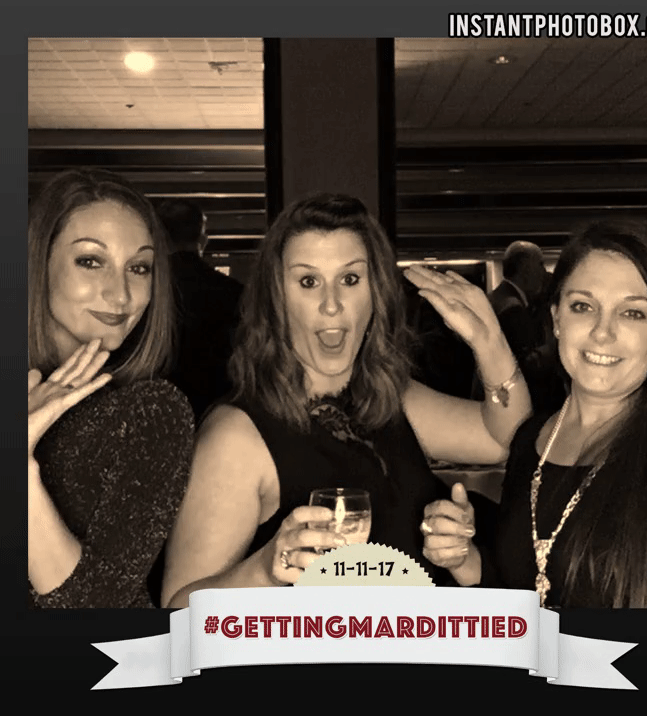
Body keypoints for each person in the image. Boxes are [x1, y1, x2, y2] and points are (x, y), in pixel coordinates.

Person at [161, 193, 532, 607]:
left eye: (350, 279)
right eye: (308, 282)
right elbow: (178, 610)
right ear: (276, 299)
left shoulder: (388, 398)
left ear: (375, 293)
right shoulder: (236, 436)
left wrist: (489, 340)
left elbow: (507, 438)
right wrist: (264, 569)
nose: (332, 304)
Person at [422, 218, 647, 608]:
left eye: (633, 313)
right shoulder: (531, 440)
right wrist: (465, 559)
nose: (602, 332)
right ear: (556, 319)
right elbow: (518, 592)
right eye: (583, 306)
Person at [28, 168, 194, 608]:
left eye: (138, 268)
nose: (121, 295)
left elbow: (97, 607)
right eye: (90, 261)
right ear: (39, 263)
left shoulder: (151, 415)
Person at [155, 199, 244, 422]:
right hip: (217, 409)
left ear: (160, 239)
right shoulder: (234, 293)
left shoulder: (147, 292)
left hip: (156, 408)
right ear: (203, 239)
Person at [474, 240, 564, 413]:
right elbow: (525, 365)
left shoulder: (495, 298)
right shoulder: (511, 308)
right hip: (507, 400)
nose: (543, 271)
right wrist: (553, 348)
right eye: (540, 264)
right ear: (526, 267)